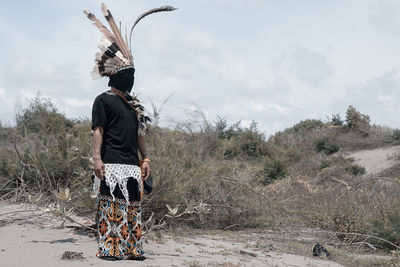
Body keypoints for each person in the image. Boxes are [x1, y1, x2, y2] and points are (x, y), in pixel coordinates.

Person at [84, 3, 176, 260]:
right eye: (127, 74)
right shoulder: (103, 100)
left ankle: (132, 248)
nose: (131, 78)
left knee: (132, 209)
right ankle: (110, 249)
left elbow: (140, 135)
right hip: (111, 164)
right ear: (115, 75)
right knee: (111, 208)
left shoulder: (134, 105)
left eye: (133, 74)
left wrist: (145, 159)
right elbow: (98, 131)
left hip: (132, 166)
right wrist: (97, 159)